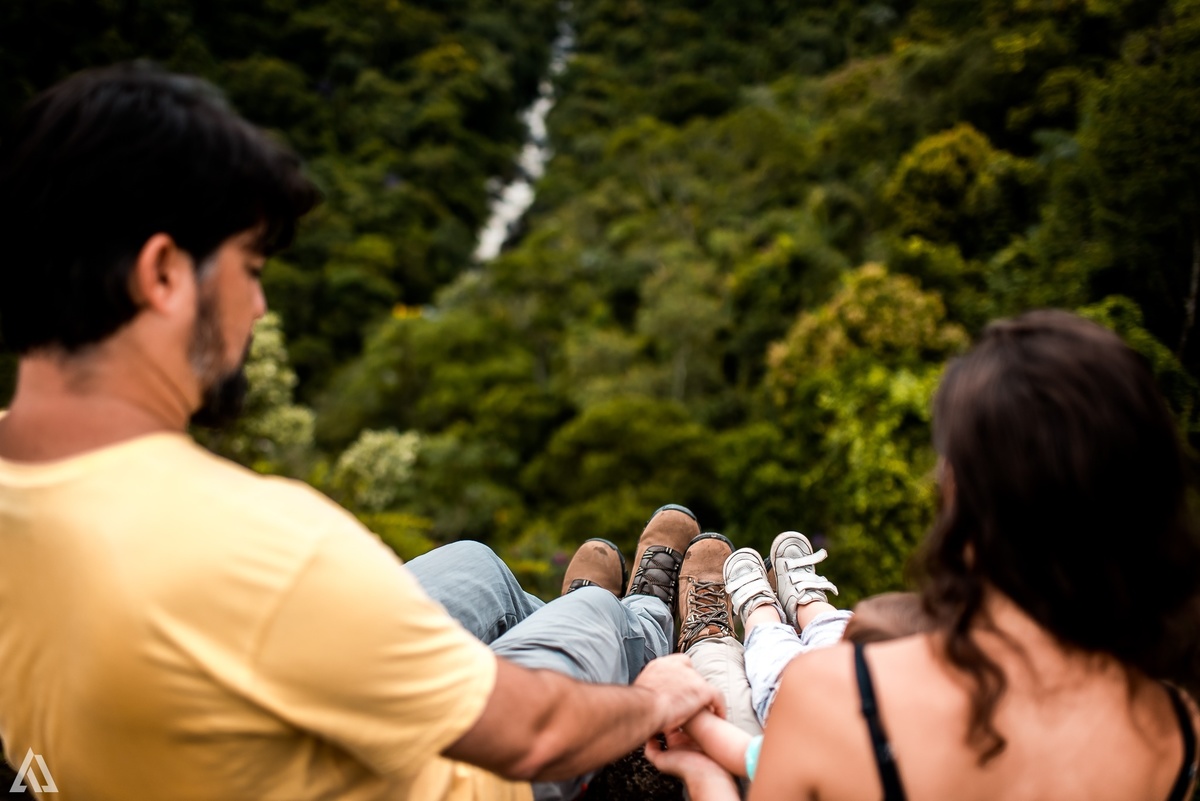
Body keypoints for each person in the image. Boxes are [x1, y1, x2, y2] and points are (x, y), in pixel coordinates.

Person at [0, 63, 724, 801]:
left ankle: (587, 623)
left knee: (475, 567)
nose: (256, 307)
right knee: (595, 618)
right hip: (472, 776)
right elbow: (535, 732)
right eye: (248, 270)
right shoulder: (257, 544)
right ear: (161, 274)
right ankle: (649, 627)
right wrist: (654, 704)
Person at [647, 311, 1200, 801]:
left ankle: (743, 620)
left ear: (960, 495)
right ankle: (796, 604)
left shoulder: (836, 696)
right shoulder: (1177, 730)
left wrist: (706, 781)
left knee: (758, 668)